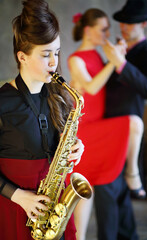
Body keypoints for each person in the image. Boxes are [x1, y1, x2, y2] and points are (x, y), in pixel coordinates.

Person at [0, 0, 85, 240]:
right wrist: (18, 196)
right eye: (45, 54)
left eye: (56, 52)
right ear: (22, 56)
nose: (53, 62)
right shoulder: (2, 102)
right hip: (15, 207)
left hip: (53, 208)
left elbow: (63, 145)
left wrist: (76, 148)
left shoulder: (60, 97)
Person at [67, 8, 142, 240]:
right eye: (104, 29)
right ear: (89, 30)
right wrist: (114, 61)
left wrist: (115, 59)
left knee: (87, 188)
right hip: (87, 130)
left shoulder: (98, 56)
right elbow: (91, 87)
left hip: (99, 128)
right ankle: (133, 174)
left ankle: (131, 173)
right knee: (83, 192)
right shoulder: (75, 59)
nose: (108, 33)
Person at [94, 0, 147, 240]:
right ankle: (128, 236)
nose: (123, 26)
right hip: (104, 129)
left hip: (126, 133)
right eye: (122, 20)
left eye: (130, 22)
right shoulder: (120, 49)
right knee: (116, 191)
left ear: (143, 24)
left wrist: (120, 63)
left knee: (108, 189)